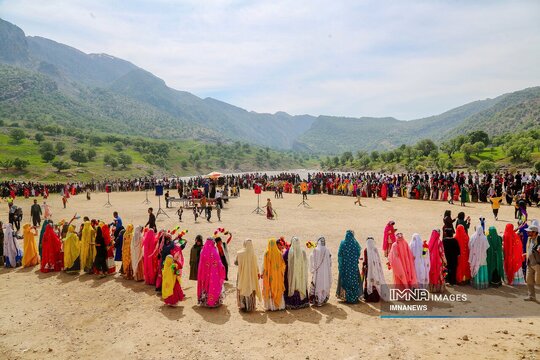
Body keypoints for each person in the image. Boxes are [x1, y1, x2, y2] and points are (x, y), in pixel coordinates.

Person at [197, 237, 226, 308]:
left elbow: (201, 263)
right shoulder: (214, 251)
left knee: (205, 286)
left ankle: (204, 301)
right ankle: (213, 302)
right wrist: (222, 268)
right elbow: (219, 263)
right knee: (212, 286)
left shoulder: (202, 251)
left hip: (204, 274)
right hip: (213, 275)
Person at [235, 239, 261, 312]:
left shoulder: (239, 253)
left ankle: (242, 305)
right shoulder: (253, 254)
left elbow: (236, 263)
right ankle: (250, 306)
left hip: (241, 275)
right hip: (251, 276)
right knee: (250, 288)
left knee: (242, 288)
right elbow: (256, 266)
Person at [283, 237, 309, 310]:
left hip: (291, 275)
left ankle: (291, 304)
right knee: (300, 285)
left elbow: (283, 260)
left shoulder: (289, 251)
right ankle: (303, 303)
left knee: (292, 285)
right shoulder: (302, 251)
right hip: (301, 274)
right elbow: (306, 262)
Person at [336, 230, 362, 303]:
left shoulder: (343, 243)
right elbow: (358, 254)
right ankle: (354, 296)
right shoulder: (355, 244)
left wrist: (342, 263)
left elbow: (339, 254)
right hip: (353, 266)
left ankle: (345, 296)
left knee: (345, 279)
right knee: (353, 280)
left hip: (345, 266)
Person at [262, 238, 286, 310]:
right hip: (277, 276)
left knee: (270, 288)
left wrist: (263, 273)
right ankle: (278, 306)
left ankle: (271, 306)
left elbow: (264, 266)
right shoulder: (279, 253)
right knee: (277, 288)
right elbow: (283, 265)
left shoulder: (267, 253)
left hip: (270, 276)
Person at [362, 237, 389, 302]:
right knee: (376, 281)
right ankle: (376, 296)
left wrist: (363, 266)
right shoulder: (375, 249)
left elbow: (365, 261)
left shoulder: (366, 250)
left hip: (369, 269)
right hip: (376, 269)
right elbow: (378, 259)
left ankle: (368, 297)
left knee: (369, 281)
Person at [308, 236, 332, 306]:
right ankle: (323, 299)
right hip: (326, 272)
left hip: (318, 273)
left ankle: (318, 300)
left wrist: (313, 270)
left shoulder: (315, 251)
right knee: (324, 284)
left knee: (318, 285)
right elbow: (330, 262)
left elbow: (312, 260)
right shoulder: (327, 250)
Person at [469, 225, 490, 290]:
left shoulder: (473, 237)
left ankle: (476, 283)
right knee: (482, 267)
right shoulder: (484, 238)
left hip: (475, 256)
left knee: (476, 267)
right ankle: (483, 283)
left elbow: (469, 246)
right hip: (482, 256)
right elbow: (487, 246)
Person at [524, 225, 540, 301]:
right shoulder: (529, 239)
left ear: (534, 232)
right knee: (529, 280)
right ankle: (531, 296)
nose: (527, 232)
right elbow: (529, 249)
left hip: (538, 265)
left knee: (538, 282)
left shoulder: (539, 239)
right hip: (530, 263)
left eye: (529, 231)